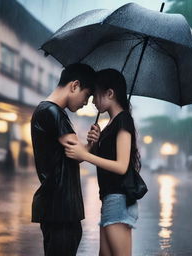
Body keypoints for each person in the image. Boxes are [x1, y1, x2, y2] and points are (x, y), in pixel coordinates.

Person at [65, 69, 141, 256]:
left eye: (95, 95)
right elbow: (109, 158)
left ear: (110, 93)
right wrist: (94, 143)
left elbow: (121, 166)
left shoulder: (123, 120)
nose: (92, 101)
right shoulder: (112, 123)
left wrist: (85, 155)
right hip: (109, 198)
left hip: (118, 198)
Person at [30, 63, 100, 256]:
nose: (86, 103)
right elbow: (78, 151)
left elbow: (74, 155)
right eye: (87, 95)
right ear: (74, 85)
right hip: (60, 207)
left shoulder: (49, 111)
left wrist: (89, 145)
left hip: (59, 206)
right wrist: (90, 148)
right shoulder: (52, 112)